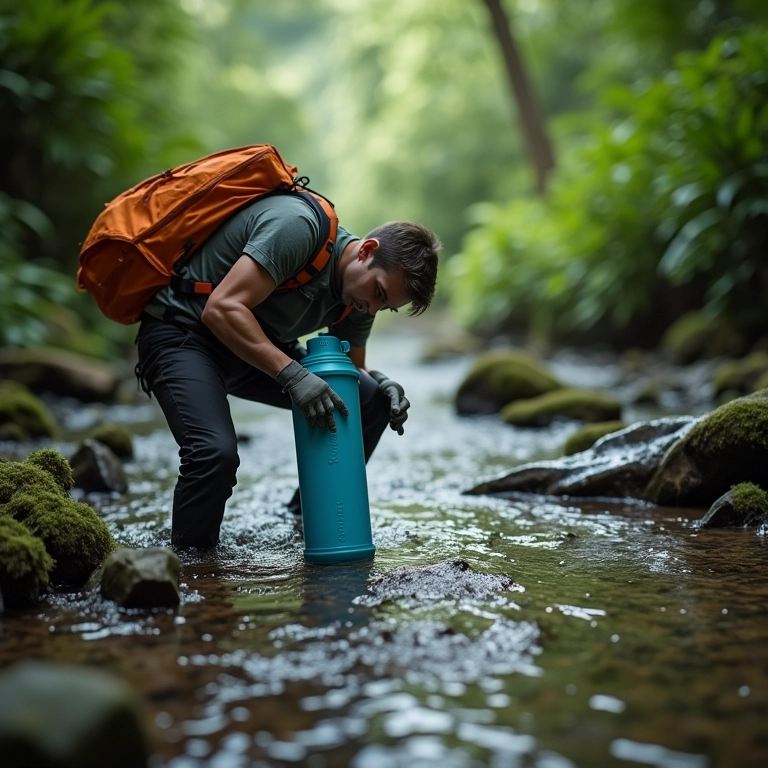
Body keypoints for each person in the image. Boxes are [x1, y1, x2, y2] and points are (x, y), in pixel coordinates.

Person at [134, 191, 441, 549]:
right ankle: (191, 572)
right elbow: (221, 309)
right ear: (366, 251)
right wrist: (292, 375)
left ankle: (305, 520)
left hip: (248, 348)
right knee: (214, 453)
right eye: (378, 292)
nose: (371, 309)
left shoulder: (359, 299)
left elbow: (354, 372)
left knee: (367, 399)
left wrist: (384, 383)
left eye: (385, 306)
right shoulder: (297, 228)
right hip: (182, 334)